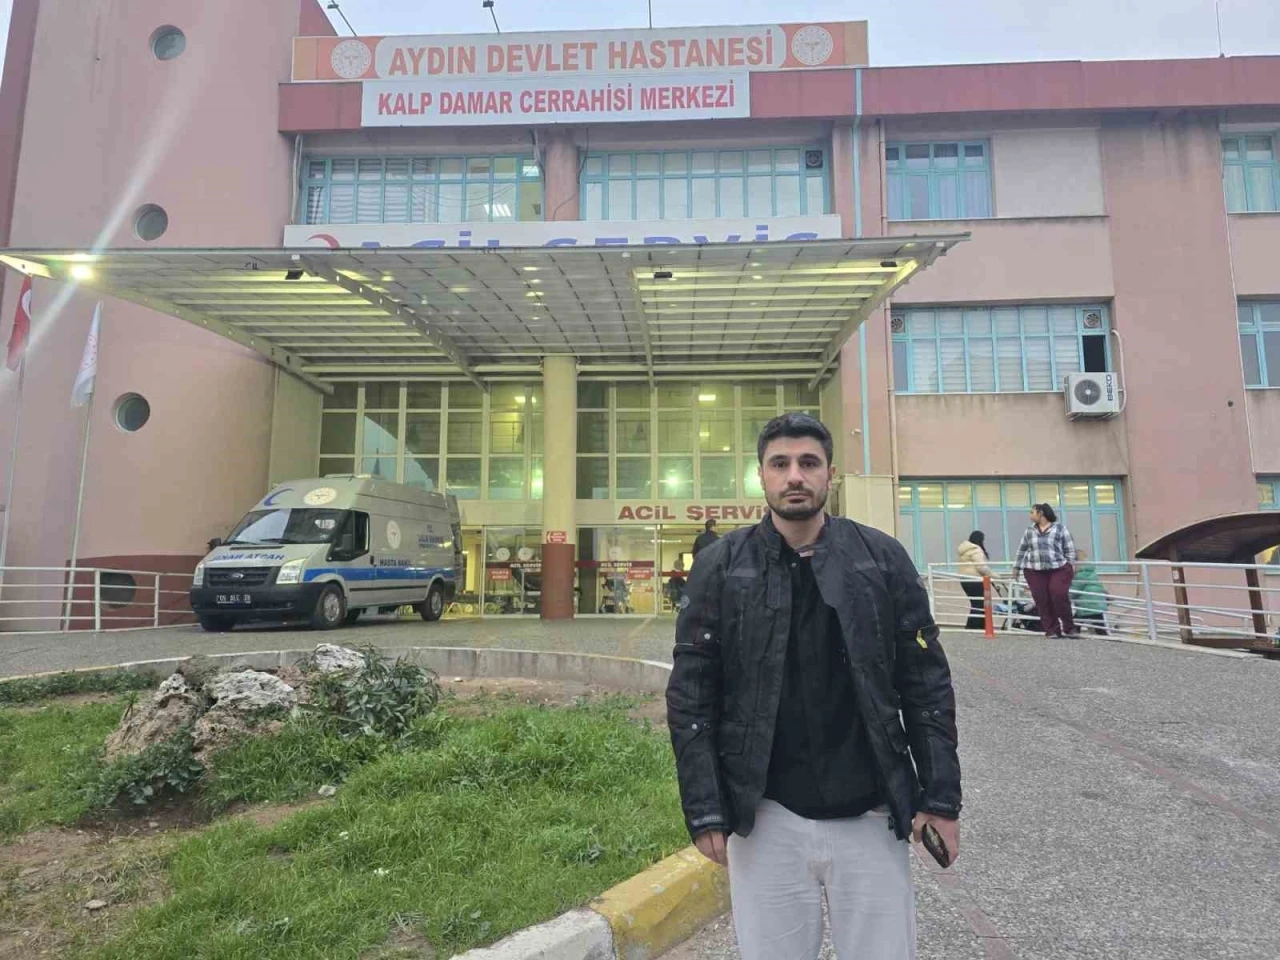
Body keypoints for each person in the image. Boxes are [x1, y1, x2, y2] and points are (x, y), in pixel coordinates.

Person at [666, 413, 961, 960]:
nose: (795, 476)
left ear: (830, 474)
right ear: (761, 475)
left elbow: (925, 684)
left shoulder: (881, 558)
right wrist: (705, 807)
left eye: (809, 463)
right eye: (780, 464)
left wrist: (941, 798)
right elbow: (692, 695)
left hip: (872, 814)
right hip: (765, 817)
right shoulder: (721, 567)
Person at [1013, 503, 1078, 638]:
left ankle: (1069, 627)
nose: (1030, 516)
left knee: (1058, 594)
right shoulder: (1029, 531)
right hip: (1034, 570)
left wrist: (1071, 565)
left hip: (1058, 568)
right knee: (1041, 599)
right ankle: (1052, 630)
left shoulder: (1060, 529)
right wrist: (1016, 567)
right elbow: (1022, 550)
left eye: (1032, 512)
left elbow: (1070, 549)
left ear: (1041, 513)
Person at [956, 531, 993, 630]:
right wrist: (993, 575)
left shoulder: (964, 550)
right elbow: (981, 567)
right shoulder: (976, 550)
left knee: (975, 603)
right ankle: (974, 626)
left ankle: (974, 626)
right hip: (975, 580)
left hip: (964, 580)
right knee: (979, 604)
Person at [1069, 549, 1109, 635]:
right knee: (1100, 628)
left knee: (1074, 625)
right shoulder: (1092, 573)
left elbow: (1074, 591)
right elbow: (1100, 587)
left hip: (1086, 606)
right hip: (1097, 606)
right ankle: (1107, 638)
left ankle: (1072, 635)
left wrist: (1065, 598)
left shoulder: (1080, 575)